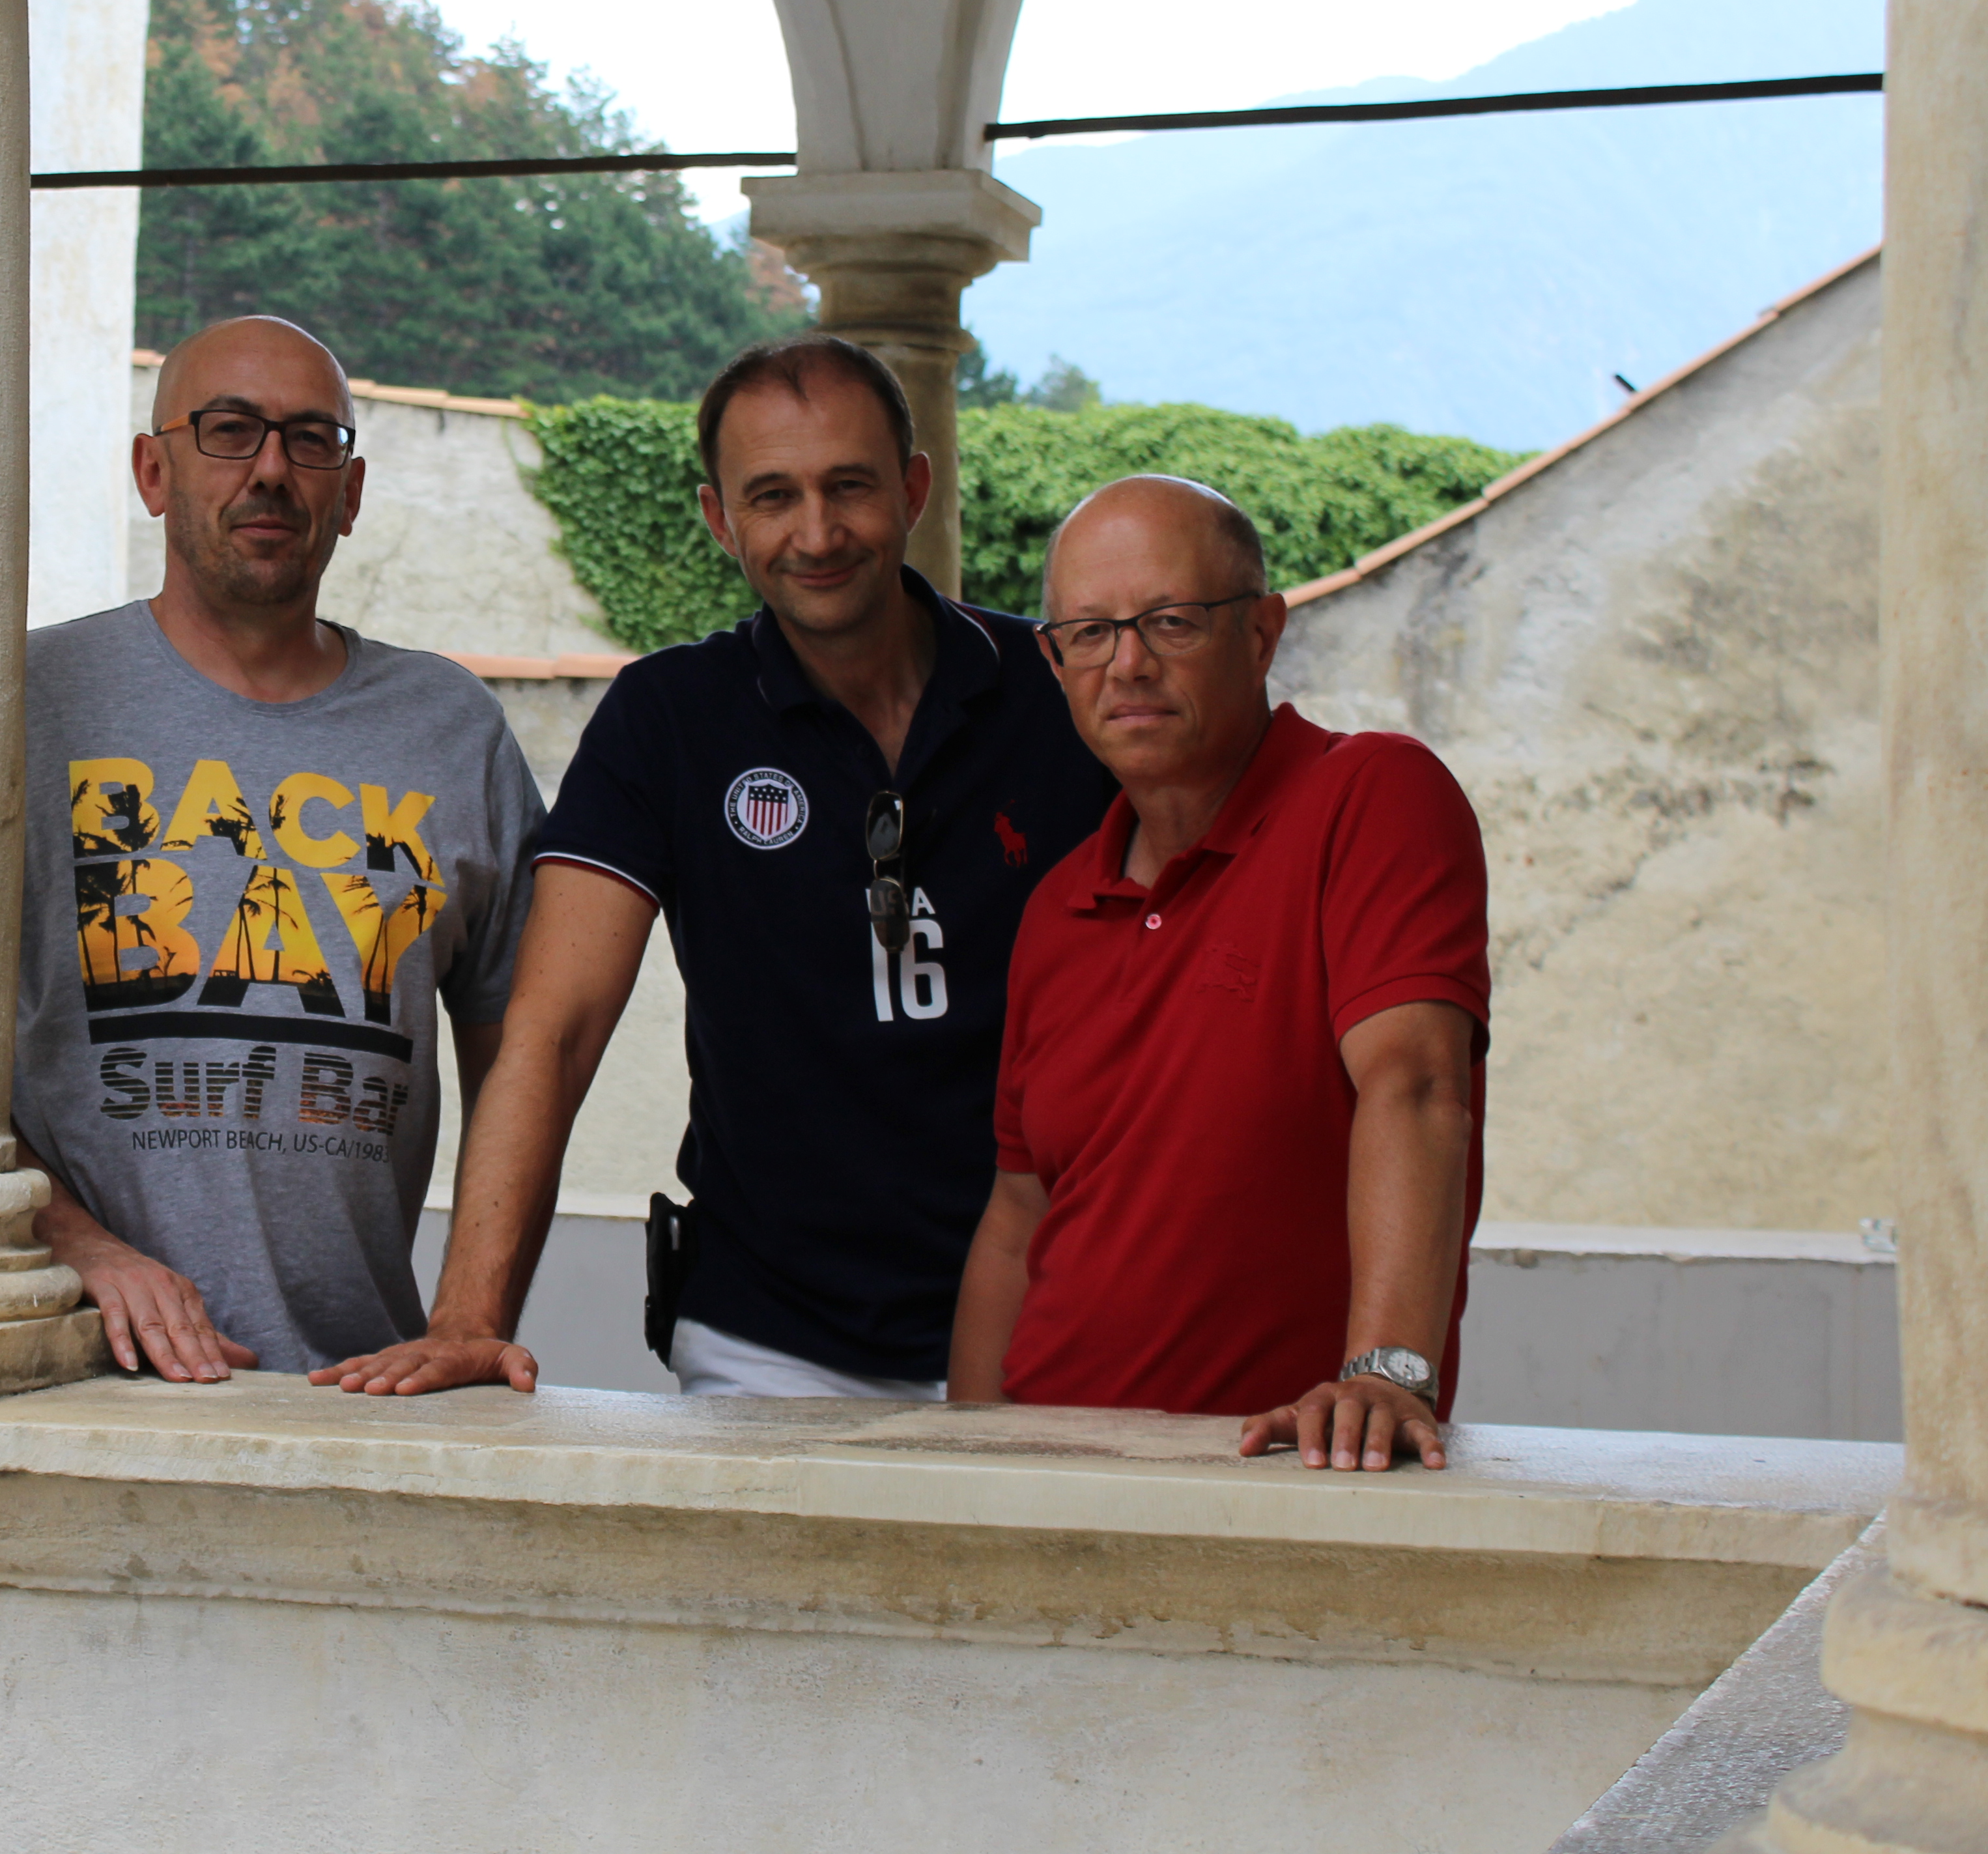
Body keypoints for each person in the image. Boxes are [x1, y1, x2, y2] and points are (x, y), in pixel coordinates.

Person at [317, 334, 1115, 1400]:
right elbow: (551, 1033)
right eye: (773, 496)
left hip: (1054, 1317)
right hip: (768, 1344)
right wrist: (469, 1322)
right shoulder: (670, 721)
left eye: (850, 488)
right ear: (719, 518)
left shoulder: (1060, 695)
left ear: (916, 490)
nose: (817, 533)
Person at [10, 315, 546, 1379]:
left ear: (349, 494)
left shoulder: (451, 729)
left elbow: (526, 1063)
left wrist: (469, 1321)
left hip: (351, 1386)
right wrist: (77, 1243)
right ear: (152, 470)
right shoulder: (28, 705)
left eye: (311, 440)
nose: (270, 470)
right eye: (229, 430)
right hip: (67, 1372)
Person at [943, 475, 1488, 1472]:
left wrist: (1388, 1375)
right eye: (1092, 633)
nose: (1129, 664)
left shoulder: (1370, 797)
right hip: (1050, 1480)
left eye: (1173, 622)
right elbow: (1019, 1219)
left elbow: (1416, 1083)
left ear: (1264, 632)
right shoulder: (1057, 908)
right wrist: (971, 1457)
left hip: (1282, 1477)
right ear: (1054, 661)